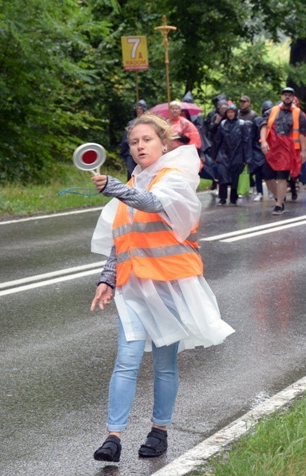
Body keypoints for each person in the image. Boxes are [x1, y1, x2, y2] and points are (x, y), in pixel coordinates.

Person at [89, 114, 234, 463]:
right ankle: (113, 437)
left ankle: (159, 431)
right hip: (133, 286)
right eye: (134, 141)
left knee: (165, 364)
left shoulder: (176, 179)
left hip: (169, 284)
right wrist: (107, 279)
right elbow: (120, 238)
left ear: (164, 143)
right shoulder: (133, 182)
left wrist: (113, 187)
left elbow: (152, 202)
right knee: (126, 360)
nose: (140, 146)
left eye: (147, 140)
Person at [260, 87, 306, 215]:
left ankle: (279, 204)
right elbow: (264, 126)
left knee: (282, 177)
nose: (287, 97)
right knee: (268, 176)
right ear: (281, 97)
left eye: (290, 95)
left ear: (293, 98)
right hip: (272, 148)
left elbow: (302, 134)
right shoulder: (272, 111)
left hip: (288, 149)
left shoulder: (299, 114)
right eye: (285, 95)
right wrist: (263, 141)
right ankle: (279, 198)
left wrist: (304, 150)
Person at [211, 104, 249, 205]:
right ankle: (222, 198)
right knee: (222, 175)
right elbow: (217, 140)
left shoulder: (242, 124)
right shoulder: (223, 124)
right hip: (223, 154)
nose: (230, 114)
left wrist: (247, 158)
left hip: (238, 154)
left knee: (235, 177)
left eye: (232, 112)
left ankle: (233, 198)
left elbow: (246, 142)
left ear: (235, 113)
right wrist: (214, 155)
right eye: (228, 112)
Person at [249, 101, 273, 202]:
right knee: (258, 172)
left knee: (268, 172)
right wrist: (250, 150)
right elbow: (252, 136)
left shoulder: (274, 120)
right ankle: (259, 192)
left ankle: (271, 189)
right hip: (258, 150)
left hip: (270, 149)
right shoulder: (257, 120)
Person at [119, 100, 148, 180]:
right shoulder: (131, 123)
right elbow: (126, 139)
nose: (139, 111)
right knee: (131, 174)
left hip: (144, 152)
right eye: (137, 109)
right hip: (132, 153)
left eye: (141, 109)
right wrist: (124, 151)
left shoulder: (149, 124)